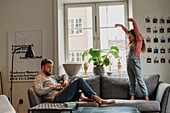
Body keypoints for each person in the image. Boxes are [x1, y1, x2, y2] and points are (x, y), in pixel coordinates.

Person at [34, 59, 115, 105]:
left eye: (51, 67)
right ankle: (98, 99)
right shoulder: (39, 78)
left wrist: (65, 80)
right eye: (48, 67)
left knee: (72, 79)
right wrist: (53, 87)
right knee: (79, 81)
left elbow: (63, 75)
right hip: (56, 98)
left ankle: (81, 97)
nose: (51, 69)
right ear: (43, 67)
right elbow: (39, 91)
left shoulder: (52, 77)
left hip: (61, 93)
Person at [115, 18, 149, 101]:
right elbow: (127, 32)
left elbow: (136, 32)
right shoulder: (131, 43)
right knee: (131, 81)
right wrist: (121, 26)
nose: (129, 38)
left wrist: (134, 22)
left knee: (139, 80)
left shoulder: (138, 42)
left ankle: (146, 96)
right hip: (129, 62)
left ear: (135, 36)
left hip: (135, 62)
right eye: (128, 37)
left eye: (130, 37)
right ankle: (132, 96)